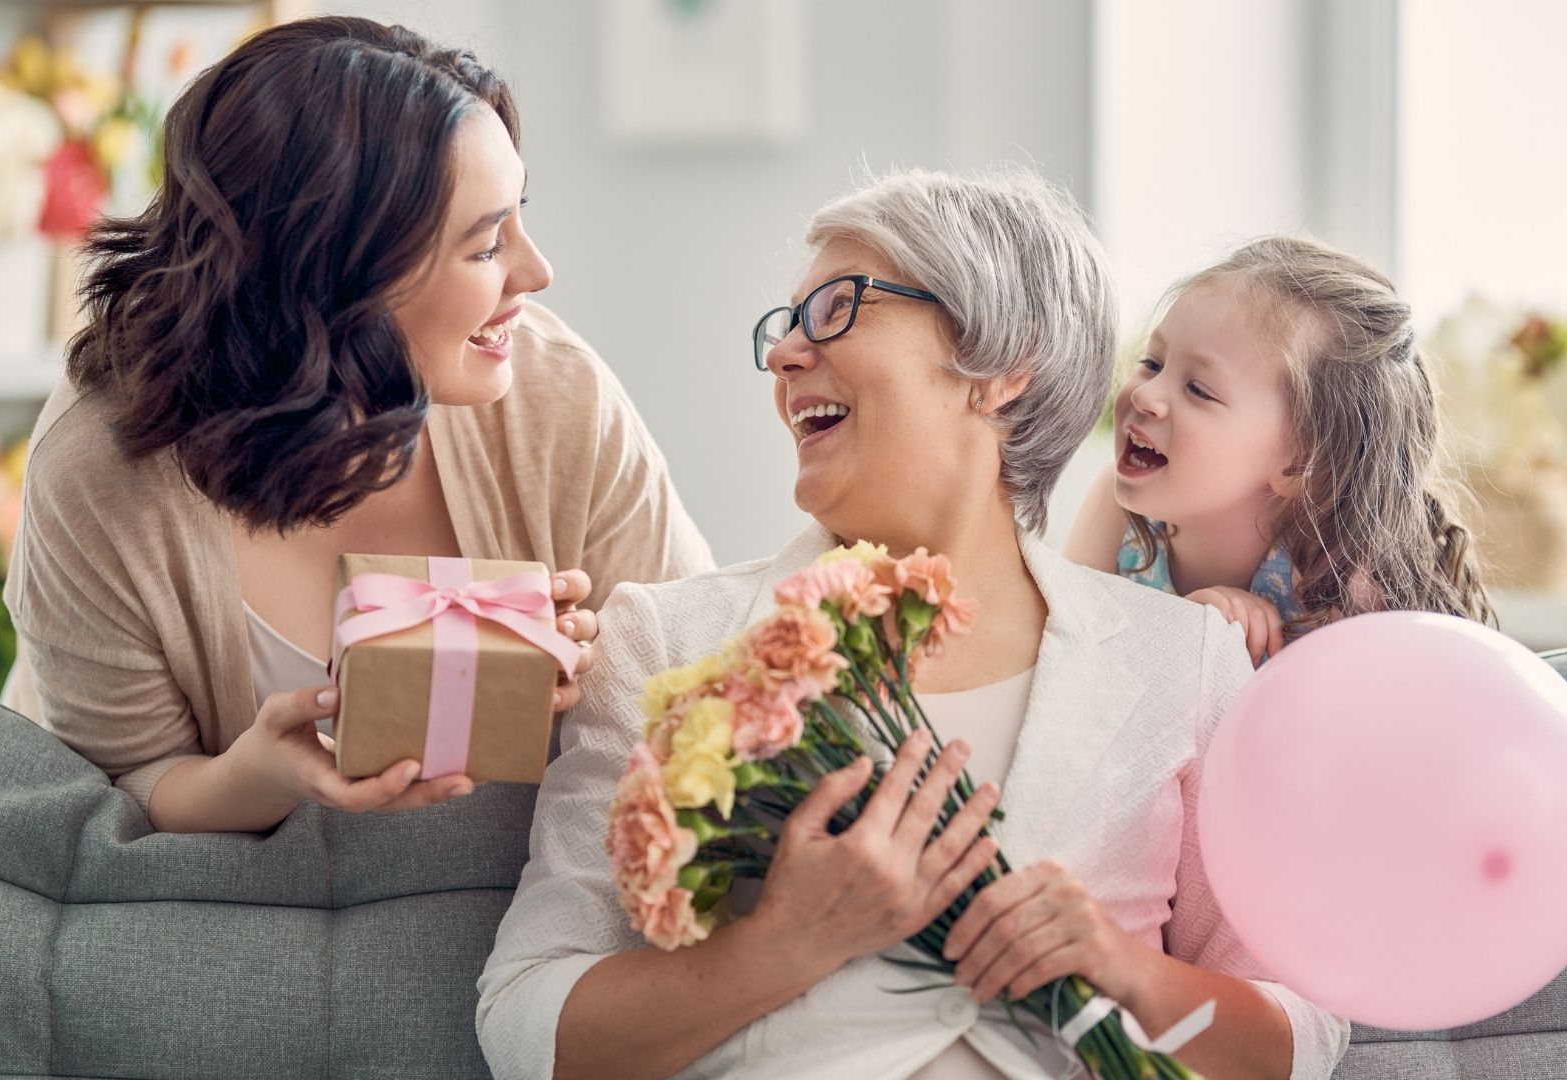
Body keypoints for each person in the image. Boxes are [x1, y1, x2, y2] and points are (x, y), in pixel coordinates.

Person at [478, 167, 1349, 1080]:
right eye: (785, 327)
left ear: (1007, 366)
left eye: (839, 308)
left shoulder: (1188, 660)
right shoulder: (663, 641)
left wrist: (1126, 970)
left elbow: (1303, 1036)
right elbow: (524, 1018)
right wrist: (780, 946)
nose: (784, 357)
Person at [0, 16, 711, 834]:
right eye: (485, 246)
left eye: (519, 216)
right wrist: (262, 774)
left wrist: (606, 679)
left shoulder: (556, 397)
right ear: (336, 277)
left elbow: (703, 692)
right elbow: (124, 785)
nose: (538, 272)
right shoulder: (99, 467)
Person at [1065, 236, 1492, 665]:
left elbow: (1369, 724)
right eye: (1153, 363)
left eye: (1198, 390)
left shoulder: (1339, 581)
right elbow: (1065, 663)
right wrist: (1184, 636)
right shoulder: (1118, 511)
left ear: (1299, 464)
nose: (1146, 395)